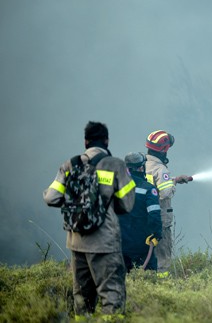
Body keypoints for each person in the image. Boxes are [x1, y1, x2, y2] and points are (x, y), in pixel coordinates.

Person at [43, 121, 136, 317]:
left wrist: (75, 203)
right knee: (112, 296)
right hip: (105, 243)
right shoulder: (115, 165)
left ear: (85, 141)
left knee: (82, 299)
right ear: (106, 140)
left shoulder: (70, 165)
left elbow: (51, 197)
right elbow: (127, 205)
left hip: (76, 242)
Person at [143, 130, 191, 275]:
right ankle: (162, 288)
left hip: (143, 218)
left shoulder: (142, 165)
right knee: (162, 259)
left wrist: (175, 179)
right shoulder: (160, 169)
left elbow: (153, 186)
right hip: (160, 221)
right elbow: (165, 193)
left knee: (144, 257)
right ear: (164, 149)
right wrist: (172, 185)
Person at [120, 152, 162, 272]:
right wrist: (157, 235)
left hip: (120, 244)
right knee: (148, 275)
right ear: (140, 168)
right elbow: (154, 215)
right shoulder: (148, 189)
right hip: (141, 245)